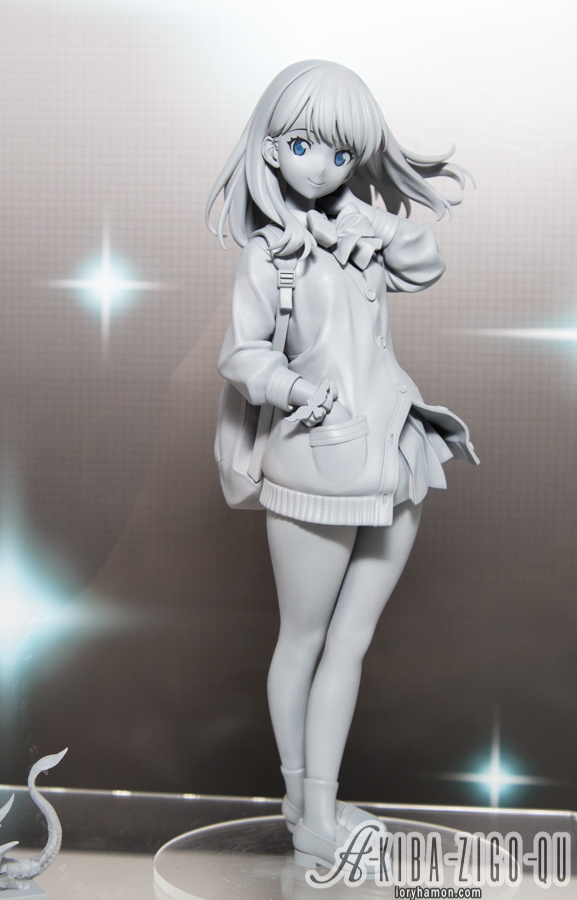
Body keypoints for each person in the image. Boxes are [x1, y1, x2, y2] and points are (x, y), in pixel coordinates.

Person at [206, 60, 478, 870]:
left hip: (396, 453)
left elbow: (426, 266)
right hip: (317, 466)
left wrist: (381, 227)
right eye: (302, 146)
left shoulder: (362, 232)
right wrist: (292, 386)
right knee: (304, 639)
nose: (322, 166)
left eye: (340, 152)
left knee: (349, 643)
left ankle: (319, 804)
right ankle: (306, 807)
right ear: (270, 148)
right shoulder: (270, 255)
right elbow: (241, 354)